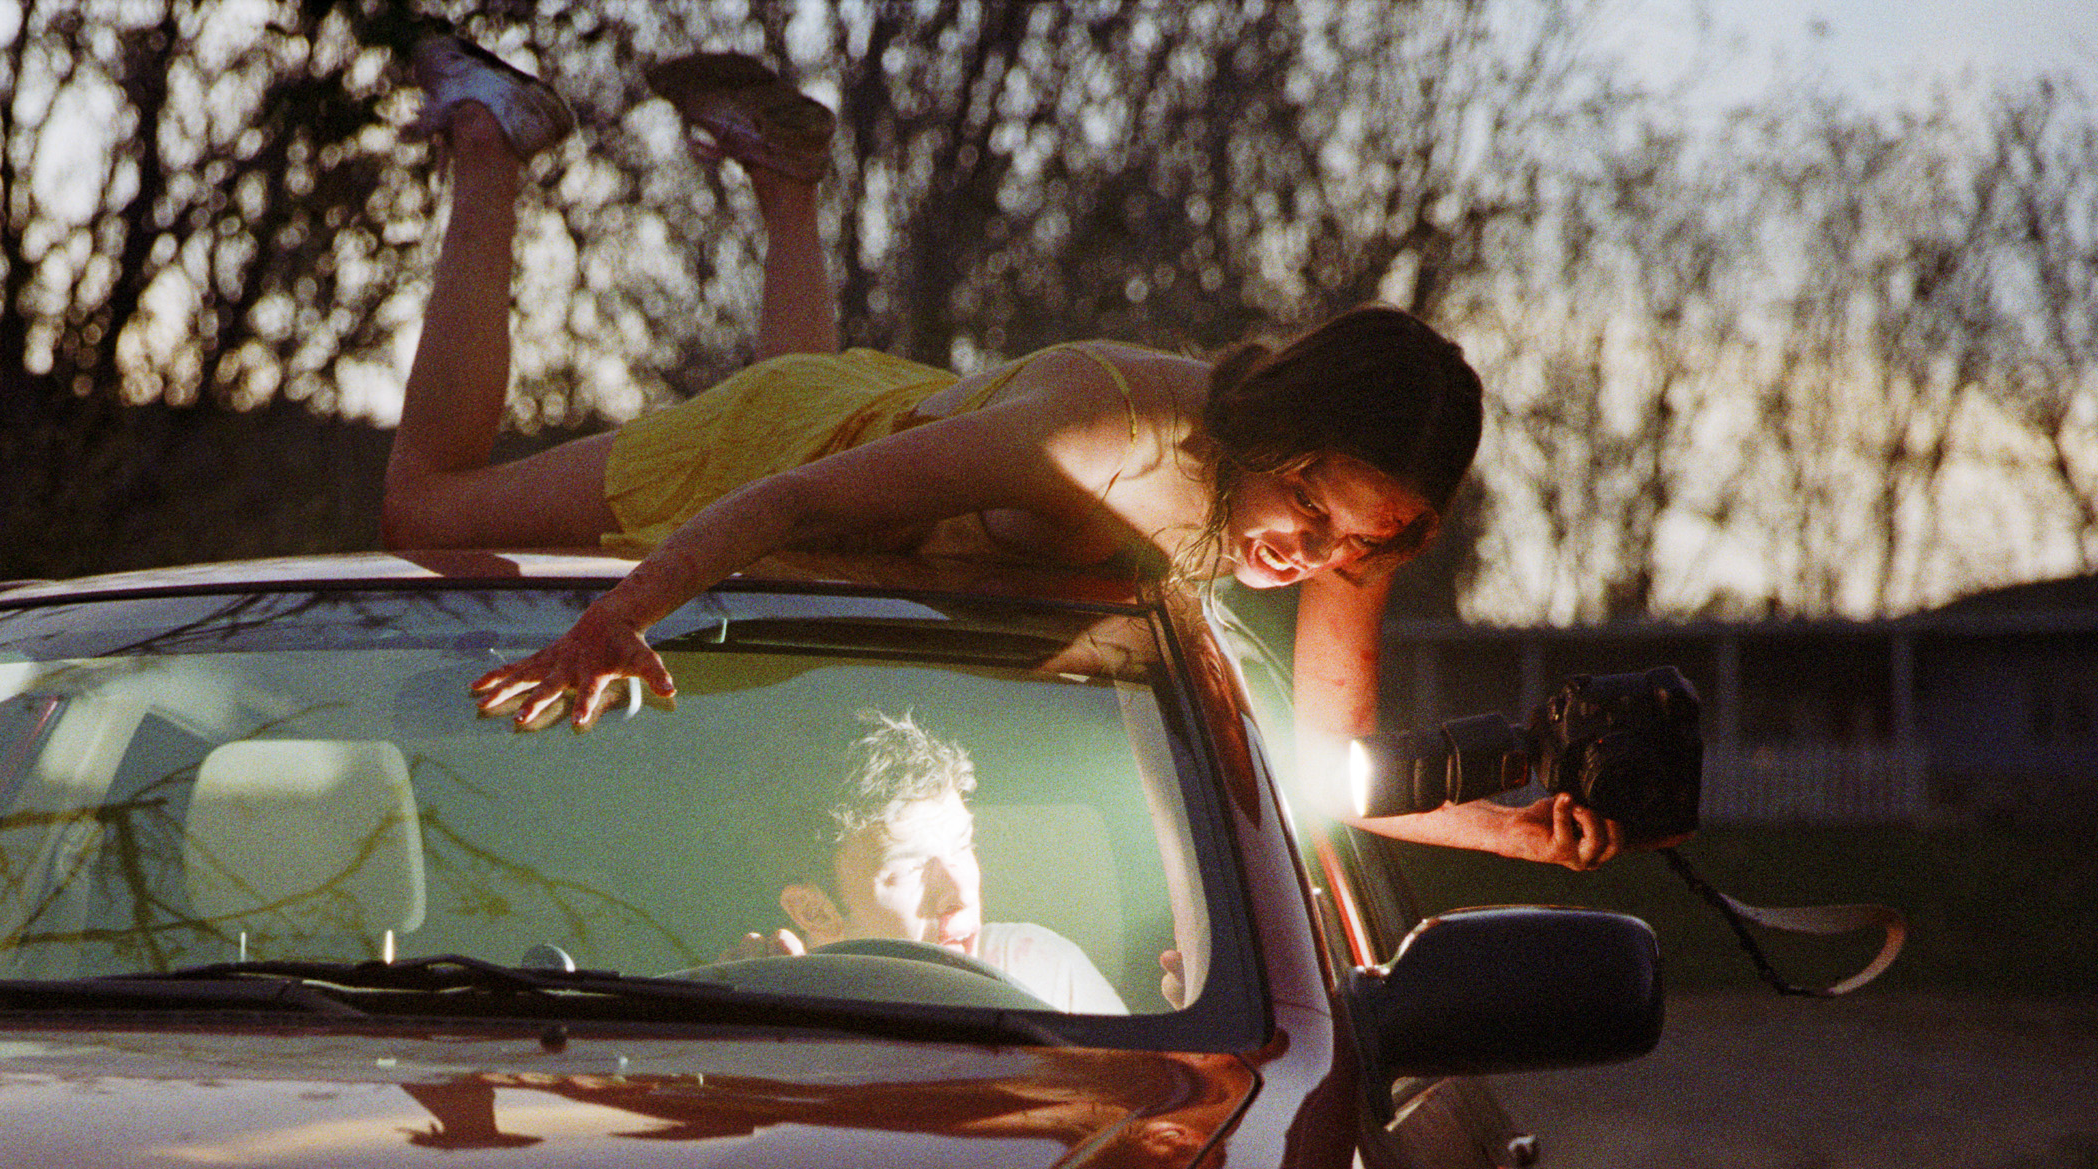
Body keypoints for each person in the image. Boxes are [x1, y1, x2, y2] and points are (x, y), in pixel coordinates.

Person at [382, 33, 1625, 871]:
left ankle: (786, 176)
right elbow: (797, 499)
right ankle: (492, 136)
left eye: (1359, 545)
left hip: (902, 458)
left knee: (859, 503)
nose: (1314, 556)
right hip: (784, 448)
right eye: (1310, 508)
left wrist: (1502, 829)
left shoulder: (1346, 523)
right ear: (1278, 421)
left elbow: (1317, 773)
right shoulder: (1099, 435)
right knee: (426, 514)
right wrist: (617, 618)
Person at [729, 708, 1130, 1016]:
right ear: (813, 911)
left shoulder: (1043, 973)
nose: (960, 892)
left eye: (963, 845)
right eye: (911, 868)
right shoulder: (764, 1018)